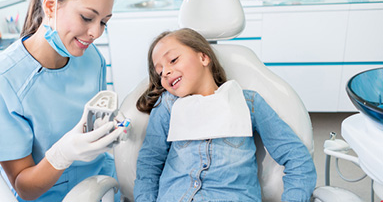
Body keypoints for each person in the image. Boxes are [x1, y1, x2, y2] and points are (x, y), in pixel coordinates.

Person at [0, 0, 125, 201]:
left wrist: (109, 132)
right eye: (87, 18)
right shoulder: (1, 82)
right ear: (51, 5)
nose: (95, 33)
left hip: (104, 187)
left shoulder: (91, 58)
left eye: (104, 22)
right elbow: (24, 187)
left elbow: (95, 125)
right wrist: (62, 154)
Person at [133, 28, 317, 201]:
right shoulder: (166, 107)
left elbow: (297, 157)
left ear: (204, 57)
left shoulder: (248, 103)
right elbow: (149, 166)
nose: (165, 72)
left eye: (173, 60)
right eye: (159, 72)